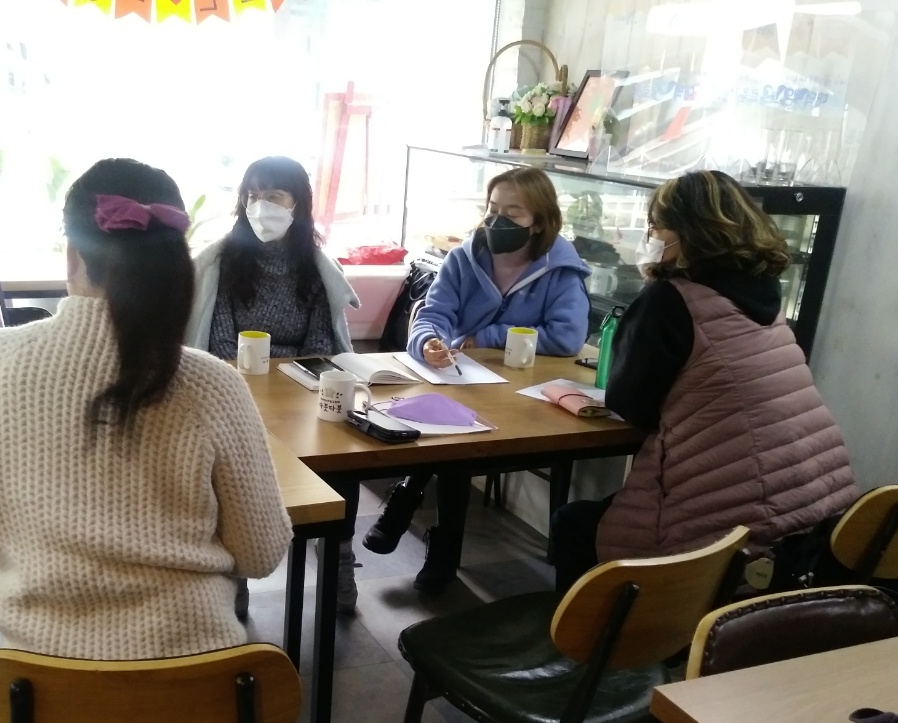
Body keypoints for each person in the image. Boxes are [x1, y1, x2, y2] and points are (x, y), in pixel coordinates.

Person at [0, 156, 292, 723]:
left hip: (43, 720)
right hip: (202, 722)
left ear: (72, 254)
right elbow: (262, 553)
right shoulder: (211, 383)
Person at [550, 170, 857, 593]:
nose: (651, 235)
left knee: (574, 525)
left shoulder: (671, 299)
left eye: (657, 226)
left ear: (688, 233)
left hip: (740, 527)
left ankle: (599, 634)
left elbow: (630, 404)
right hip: (817, 514)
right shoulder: (765, 294)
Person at [363, 166, 591, 594]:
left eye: (513, 212)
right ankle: (442, 546)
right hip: (460, 378)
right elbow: (432, 314)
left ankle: (409, 500)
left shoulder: (560, 268)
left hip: (521, 396)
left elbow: (566, 336)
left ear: (539, 221)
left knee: (456, 444)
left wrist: (487, 337)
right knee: (453, 438)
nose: (497, 220)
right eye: (492, 209)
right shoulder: (465, 257)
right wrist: (428, 341)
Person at [187, 156, 361, 615]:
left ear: (297, 204)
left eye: (273, 196)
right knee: (231, 471)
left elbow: (320, 345)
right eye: (252, 196)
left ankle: (340, 555)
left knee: (344, 453)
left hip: (297, 388)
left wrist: (287, 379)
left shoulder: (314, 266)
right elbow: (220, 344)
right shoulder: (224, 261)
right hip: (237, 387)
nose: (260, 206)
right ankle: (236, 570)